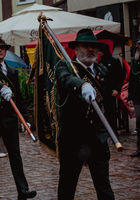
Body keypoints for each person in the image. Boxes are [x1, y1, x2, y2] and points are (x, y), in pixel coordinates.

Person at [55, 29, 115, 200]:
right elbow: (66, 79)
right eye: (85, 46)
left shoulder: (102, 70)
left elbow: (107, 105)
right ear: (76, 49)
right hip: (73, 138)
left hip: (97, 138)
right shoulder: (65, 67)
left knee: (104, 186)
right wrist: (81, 85)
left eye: (94, 46)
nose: (91, 50)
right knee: (67, 186)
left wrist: (110, 130)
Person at [0, 36, 36, 200]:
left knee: (15, 154)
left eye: (3, 47)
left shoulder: (12, 71)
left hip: (9, 118)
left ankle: (22, 190)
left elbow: (19, 98)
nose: (0, 50)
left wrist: (25, 118)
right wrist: (0, 86)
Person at [98, 41, 124, 133]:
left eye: (99, 51)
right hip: (102, 90)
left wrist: (117, 89)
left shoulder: (114, 60)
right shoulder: (100, 61)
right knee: (104, 112)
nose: (98, 52)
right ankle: (106, 130)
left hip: (111, 90)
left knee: (112, 111)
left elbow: (120, 76)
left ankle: (113, 130)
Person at [128, 40, 140, 157]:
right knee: (139, 122)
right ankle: (139, 147)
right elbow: (132, 80)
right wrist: (130, 97)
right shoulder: (135, 62)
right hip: (138, 97)